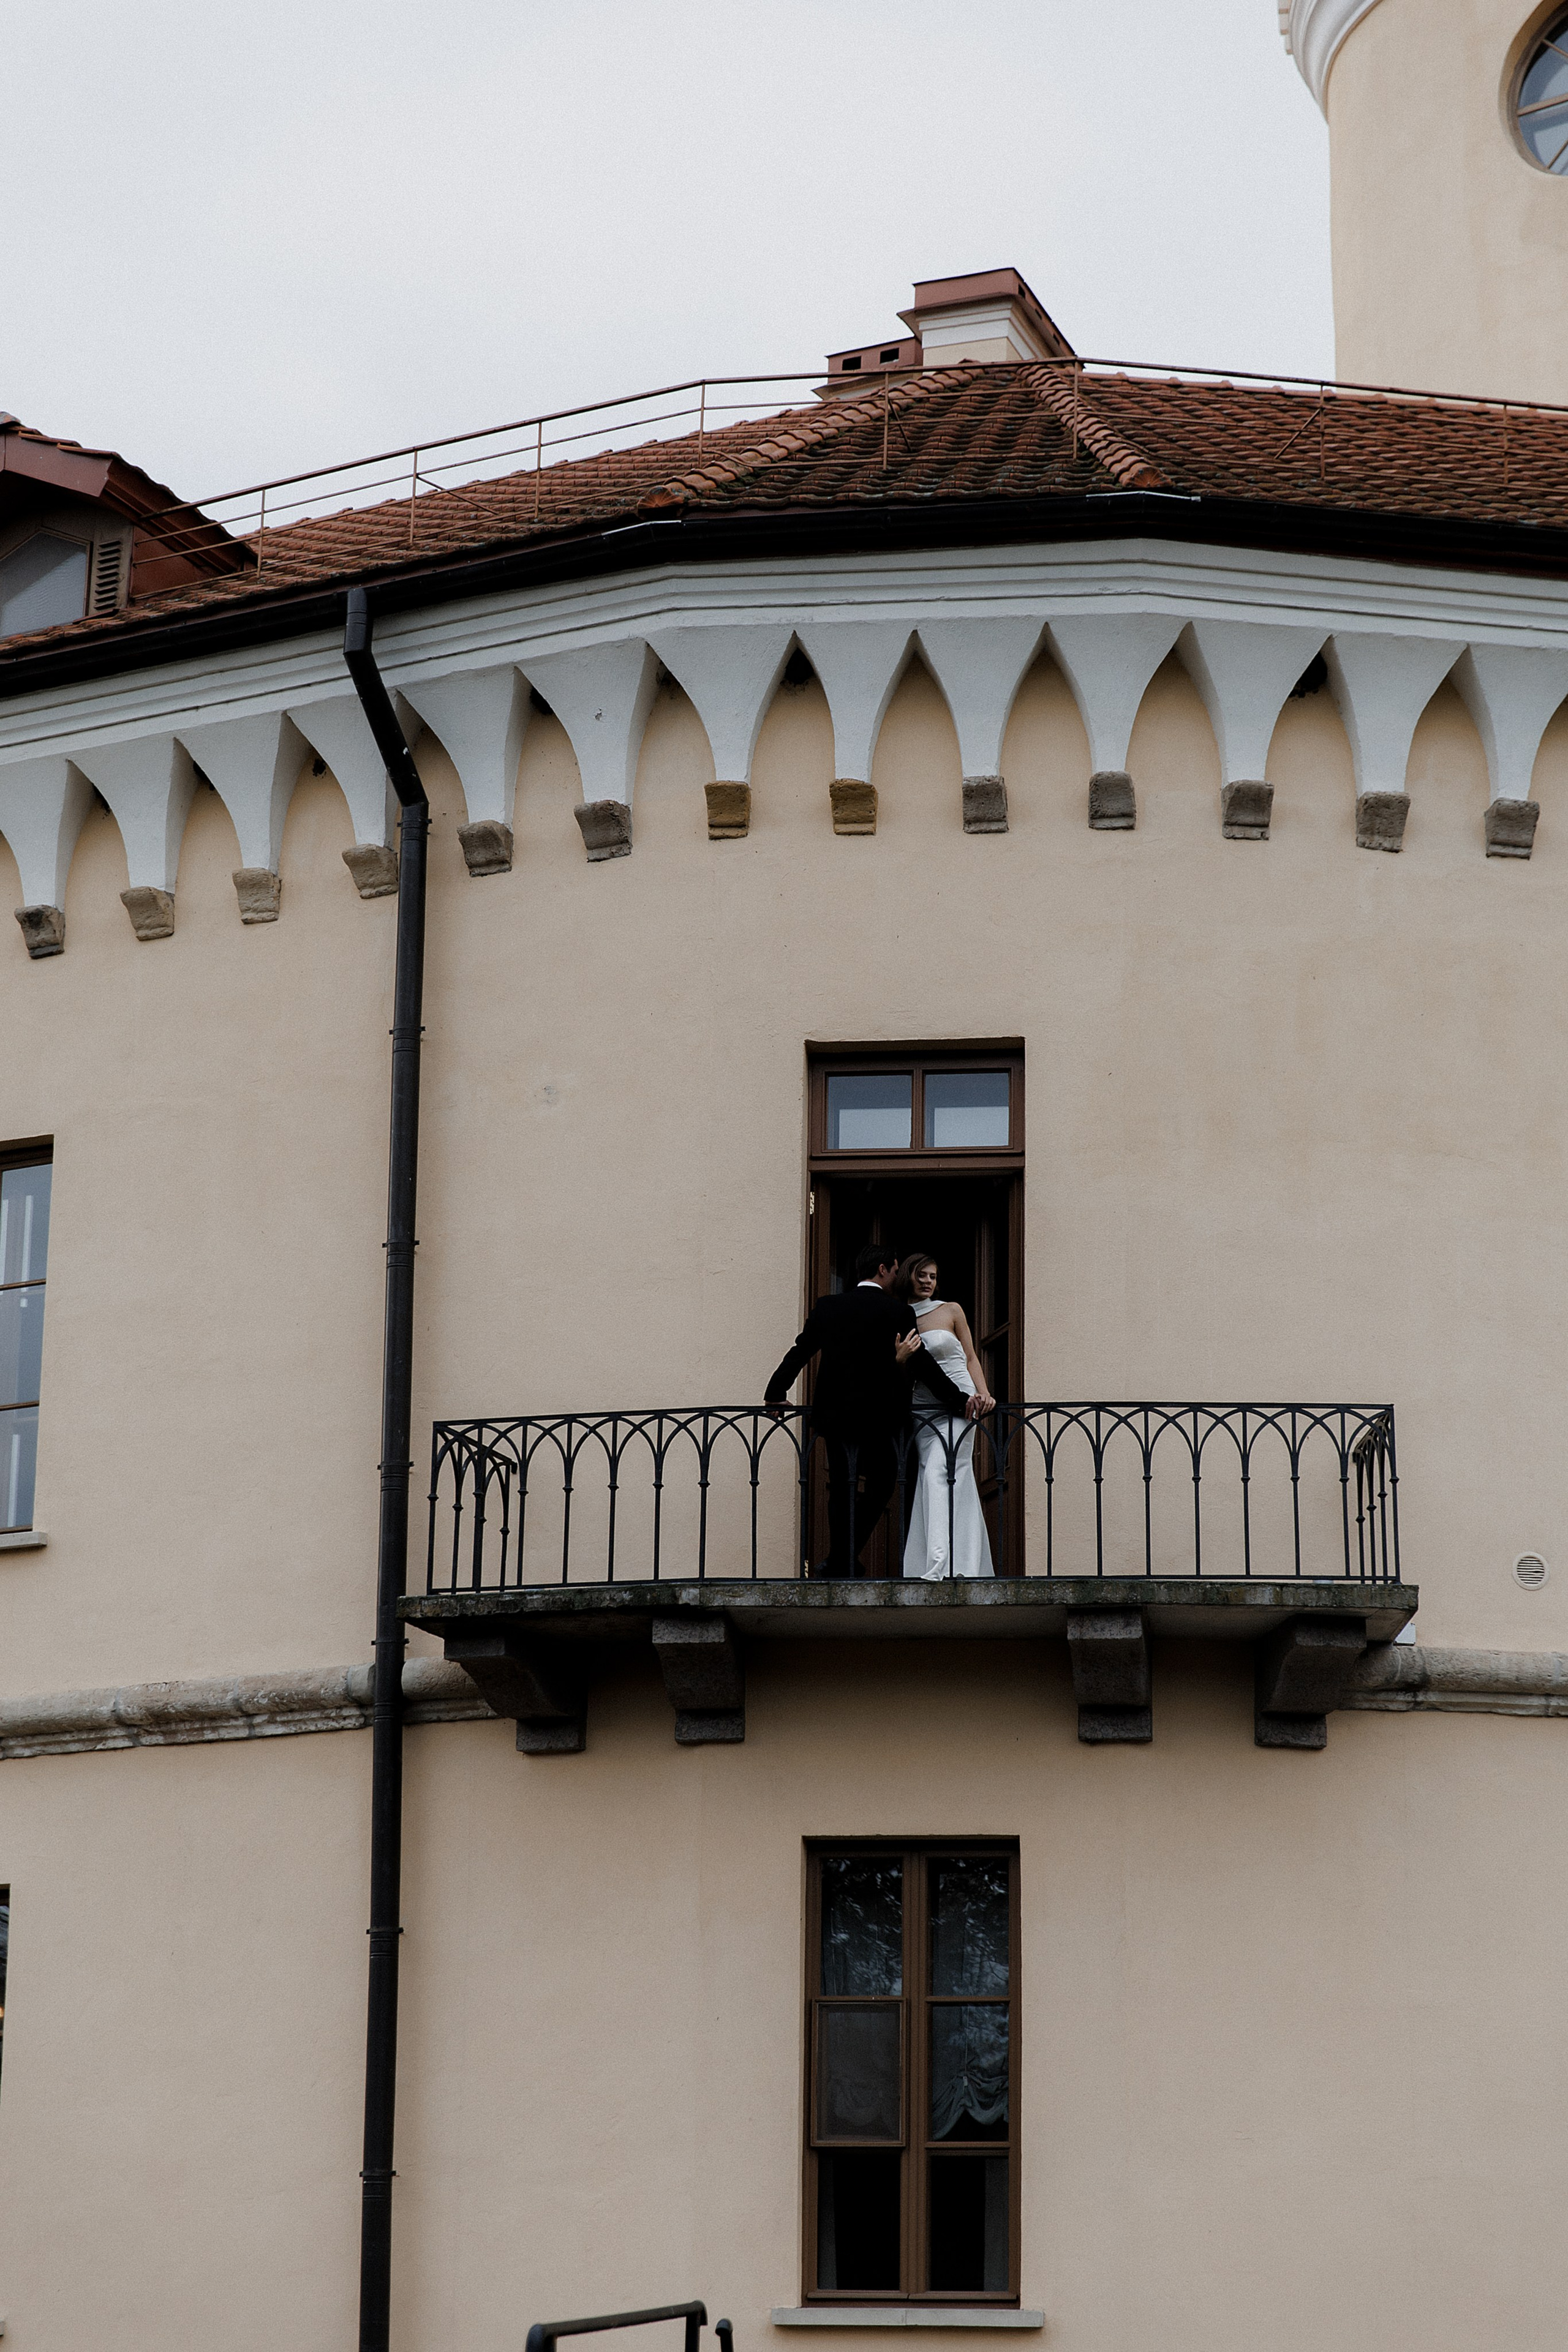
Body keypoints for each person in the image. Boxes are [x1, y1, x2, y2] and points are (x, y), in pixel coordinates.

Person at [765, 1243, 976, 1578]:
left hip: (835, 1418)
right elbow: (923, 1364)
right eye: (895, 1270)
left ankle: (840, 1561)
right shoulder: (897, 1313)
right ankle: (842, 1559)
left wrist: (775, 1393)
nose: (897, 1276)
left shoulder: (828, 1307)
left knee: (841, 1487)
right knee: (882, 1486)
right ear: (883, 1269)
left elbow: (800, 1351)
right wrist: (960, 1399)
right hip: (881, 1419)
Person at [894, 1253, 995, 1581]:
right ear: (908, 1275)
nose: (927, 1282)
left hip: (961, 1406)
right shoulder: (899, 1316)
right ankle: (952, 1563)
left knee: (944, 1471)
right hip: (922, 1410)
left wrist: (984, 1393)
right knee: (934, 1476)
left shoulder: (951, 1310)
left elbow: (969, 1357)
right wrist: (899, 1359)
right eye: (922, 1275)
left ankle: (940, 1565)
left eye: (933, 1276)